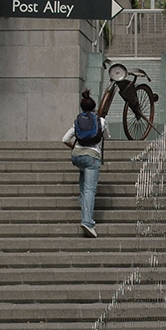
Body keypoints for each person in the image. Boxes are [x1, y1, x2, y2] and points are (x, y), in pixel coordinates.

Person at [62, 90, 109, 238]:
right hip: (92, 157)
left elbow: (65, 139)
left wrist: (75, 148)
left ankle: (85, 214)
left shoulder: (77, 121)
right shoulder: (100, 121)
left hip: (77, 156)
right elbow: (107, 136)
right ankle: (87, 221)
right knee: (90, 189)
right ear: (94, 107)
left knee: (83, 187)